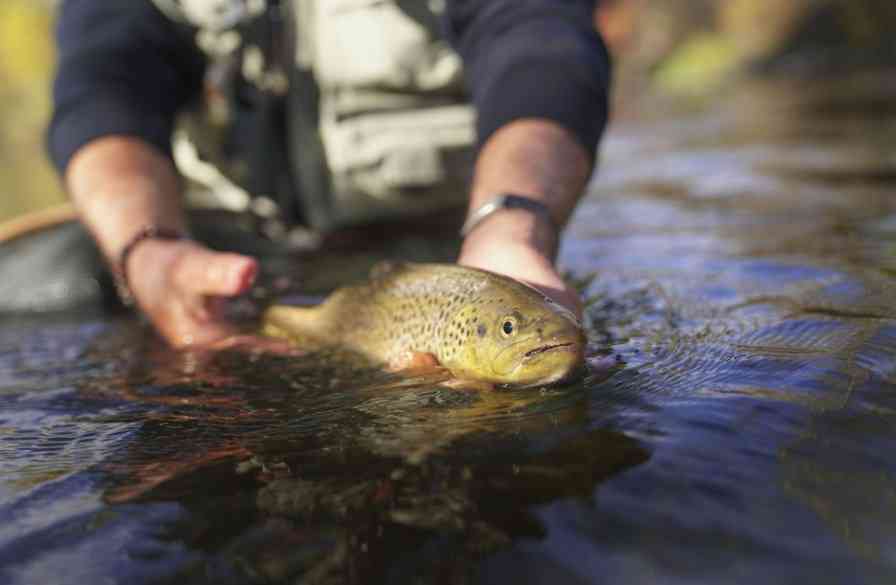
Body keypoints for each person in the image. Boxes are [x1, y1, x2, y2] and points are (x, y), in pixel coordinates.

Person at [48, 0, 610, 347]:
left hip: (456, 248)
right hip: (218, 257)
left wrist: (510, 226)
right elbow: (99, 88)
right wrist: (147, 250)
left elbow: (542, 43)